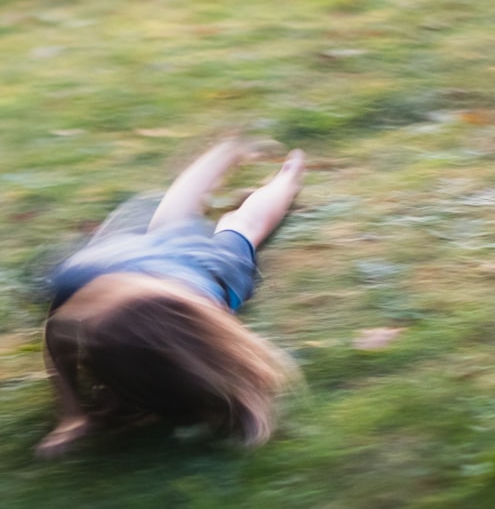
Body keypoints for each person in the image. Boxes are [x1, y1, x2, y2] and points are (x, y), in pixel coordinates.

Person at [36, 140, 305, 458]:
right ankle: (236, 155)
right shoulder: (75, 301)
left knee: (237, 225)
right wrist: (72, 414)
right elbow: (57, 335)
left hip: (174, 268)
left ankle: (279, 172)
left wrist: (77, 414)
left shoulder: (211, 301)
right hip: (124, 260)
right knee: (175, 222)